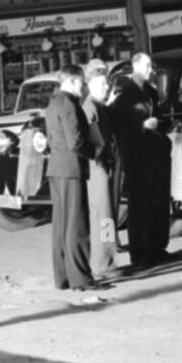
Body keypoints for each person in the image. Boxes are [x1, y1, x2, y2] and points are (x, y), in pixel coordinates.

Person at [43, 65, 104, 303]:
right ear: (70, 81)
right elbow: (76, 141)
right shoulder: (69, 104)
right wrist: (96, 152)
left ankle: (63, 277)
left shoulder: (53, 103)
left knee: (60, 225)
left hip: (57, 169)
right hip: (71, 169)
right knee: (76, 225)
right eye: (80, 82)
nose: (83, 86)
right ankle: (81, 278)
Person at [109, 51, 171, 269]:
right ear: (135, 66)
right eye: (146, 66)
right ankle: (136, 254)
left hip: (154, 154)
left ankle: (156, 248)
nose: (150, 70)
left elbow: (159, 115)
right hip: (135, 157)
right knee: (137, 207)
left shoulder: (151, 92)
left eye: (151, 66)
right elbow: (118, 127)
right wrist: (141, 127)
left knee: (157, 203)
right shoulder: (125, 96)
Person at [82, 59, 119, 279]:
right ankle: (104, 263)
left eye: (106, 83)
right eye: (101, 83)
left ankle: (106, 259)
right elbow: (95, 143)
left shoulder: (99, 107)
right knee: (103, 218)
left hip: (104, 167)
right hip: (99, 169)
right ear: (90, 84)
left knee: (106, 217)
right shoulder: (90, 108)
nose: (106, 87)